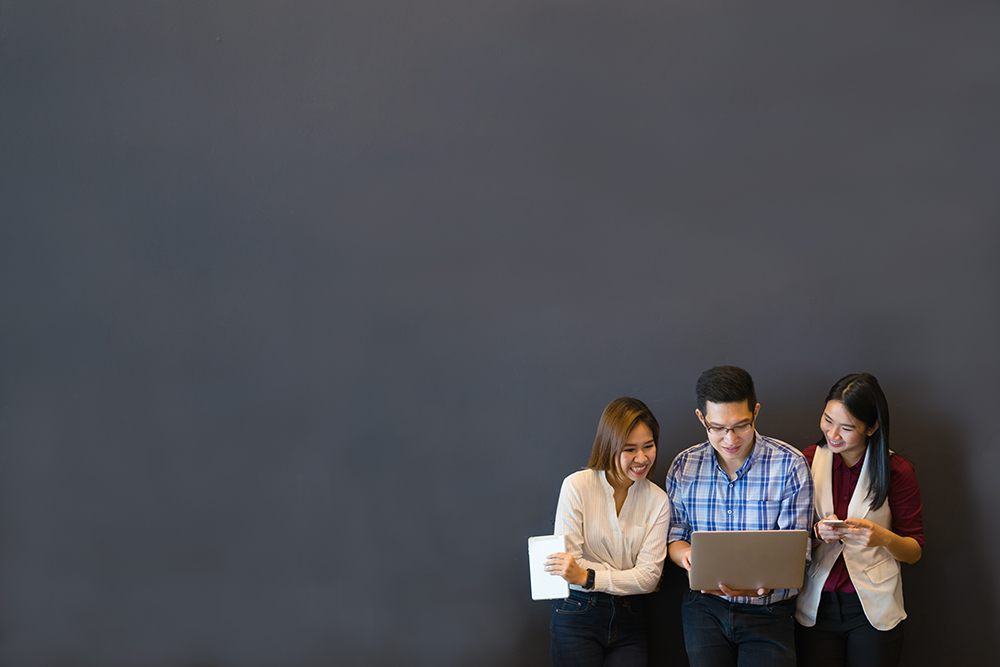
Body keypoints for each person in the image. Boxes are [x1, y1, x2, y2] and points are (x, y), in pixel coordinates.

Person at [665, 365, 814, 667]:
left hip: (769, 610)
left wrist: (766, 584)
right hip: (704, 608)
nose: (730, 439)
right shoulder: (684, 466)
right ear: (701, 418)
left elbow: (798, 552)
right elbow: (675, 538)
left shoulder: (790, 464)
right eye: (718, 428)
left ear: (755, 412)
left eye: (740, 426)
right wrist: (689, 558)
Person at [794, 373, 924, 667]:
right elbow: (789, 538)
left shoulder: (896, 470)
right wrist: (817, 533)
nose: (833, 434)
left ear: (872, 427)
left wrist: (883, 537)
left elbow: (914, 551)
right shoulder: (808, 460)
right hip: (817, 604)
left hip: (873, 606)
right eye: (828, 420)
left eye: (847, 427)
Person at [544, 397, 671, 667]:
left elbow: (649, 578)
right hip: (577, 611)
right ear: (609, 446)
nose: (642, 458)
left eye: (648, 446)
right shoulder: (577, 486)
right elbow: (569, 564)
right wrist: (627, 575)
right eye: (629, 449)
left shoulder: (658, 500)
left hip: (630, 618)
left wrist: (587, 576)